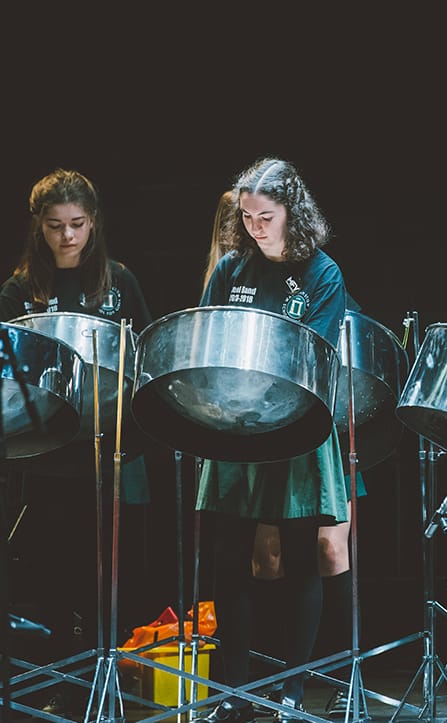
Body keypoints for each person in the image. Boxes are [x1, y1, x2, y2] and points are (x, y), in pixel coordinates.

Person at [192, 158, 349, 723]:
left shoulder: (323, 273)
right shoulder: (231, 269)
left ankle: (289, 693)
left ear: (291, 213)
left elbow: (317, 353)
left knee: (302, 559)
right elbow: (206, 340)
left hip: (296, 427)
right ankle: (233, 693)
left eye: (267, 216)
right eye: (248, 217)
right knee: (230, 560)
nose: (256, 227)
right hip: (233, 426)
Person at [0, 168, 154, 717]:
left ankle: (98, 686)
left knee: (102, 581)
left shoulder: (118, 284)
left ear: (95, 222)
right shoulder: (21, 289)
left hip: (103, 452)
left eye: (78, 224)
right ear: (38, 227)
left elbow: (140, 366)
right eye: (56, 226)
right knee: (50, 578)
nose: (68, 237)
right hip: (43, 458)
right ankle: (52, 687)